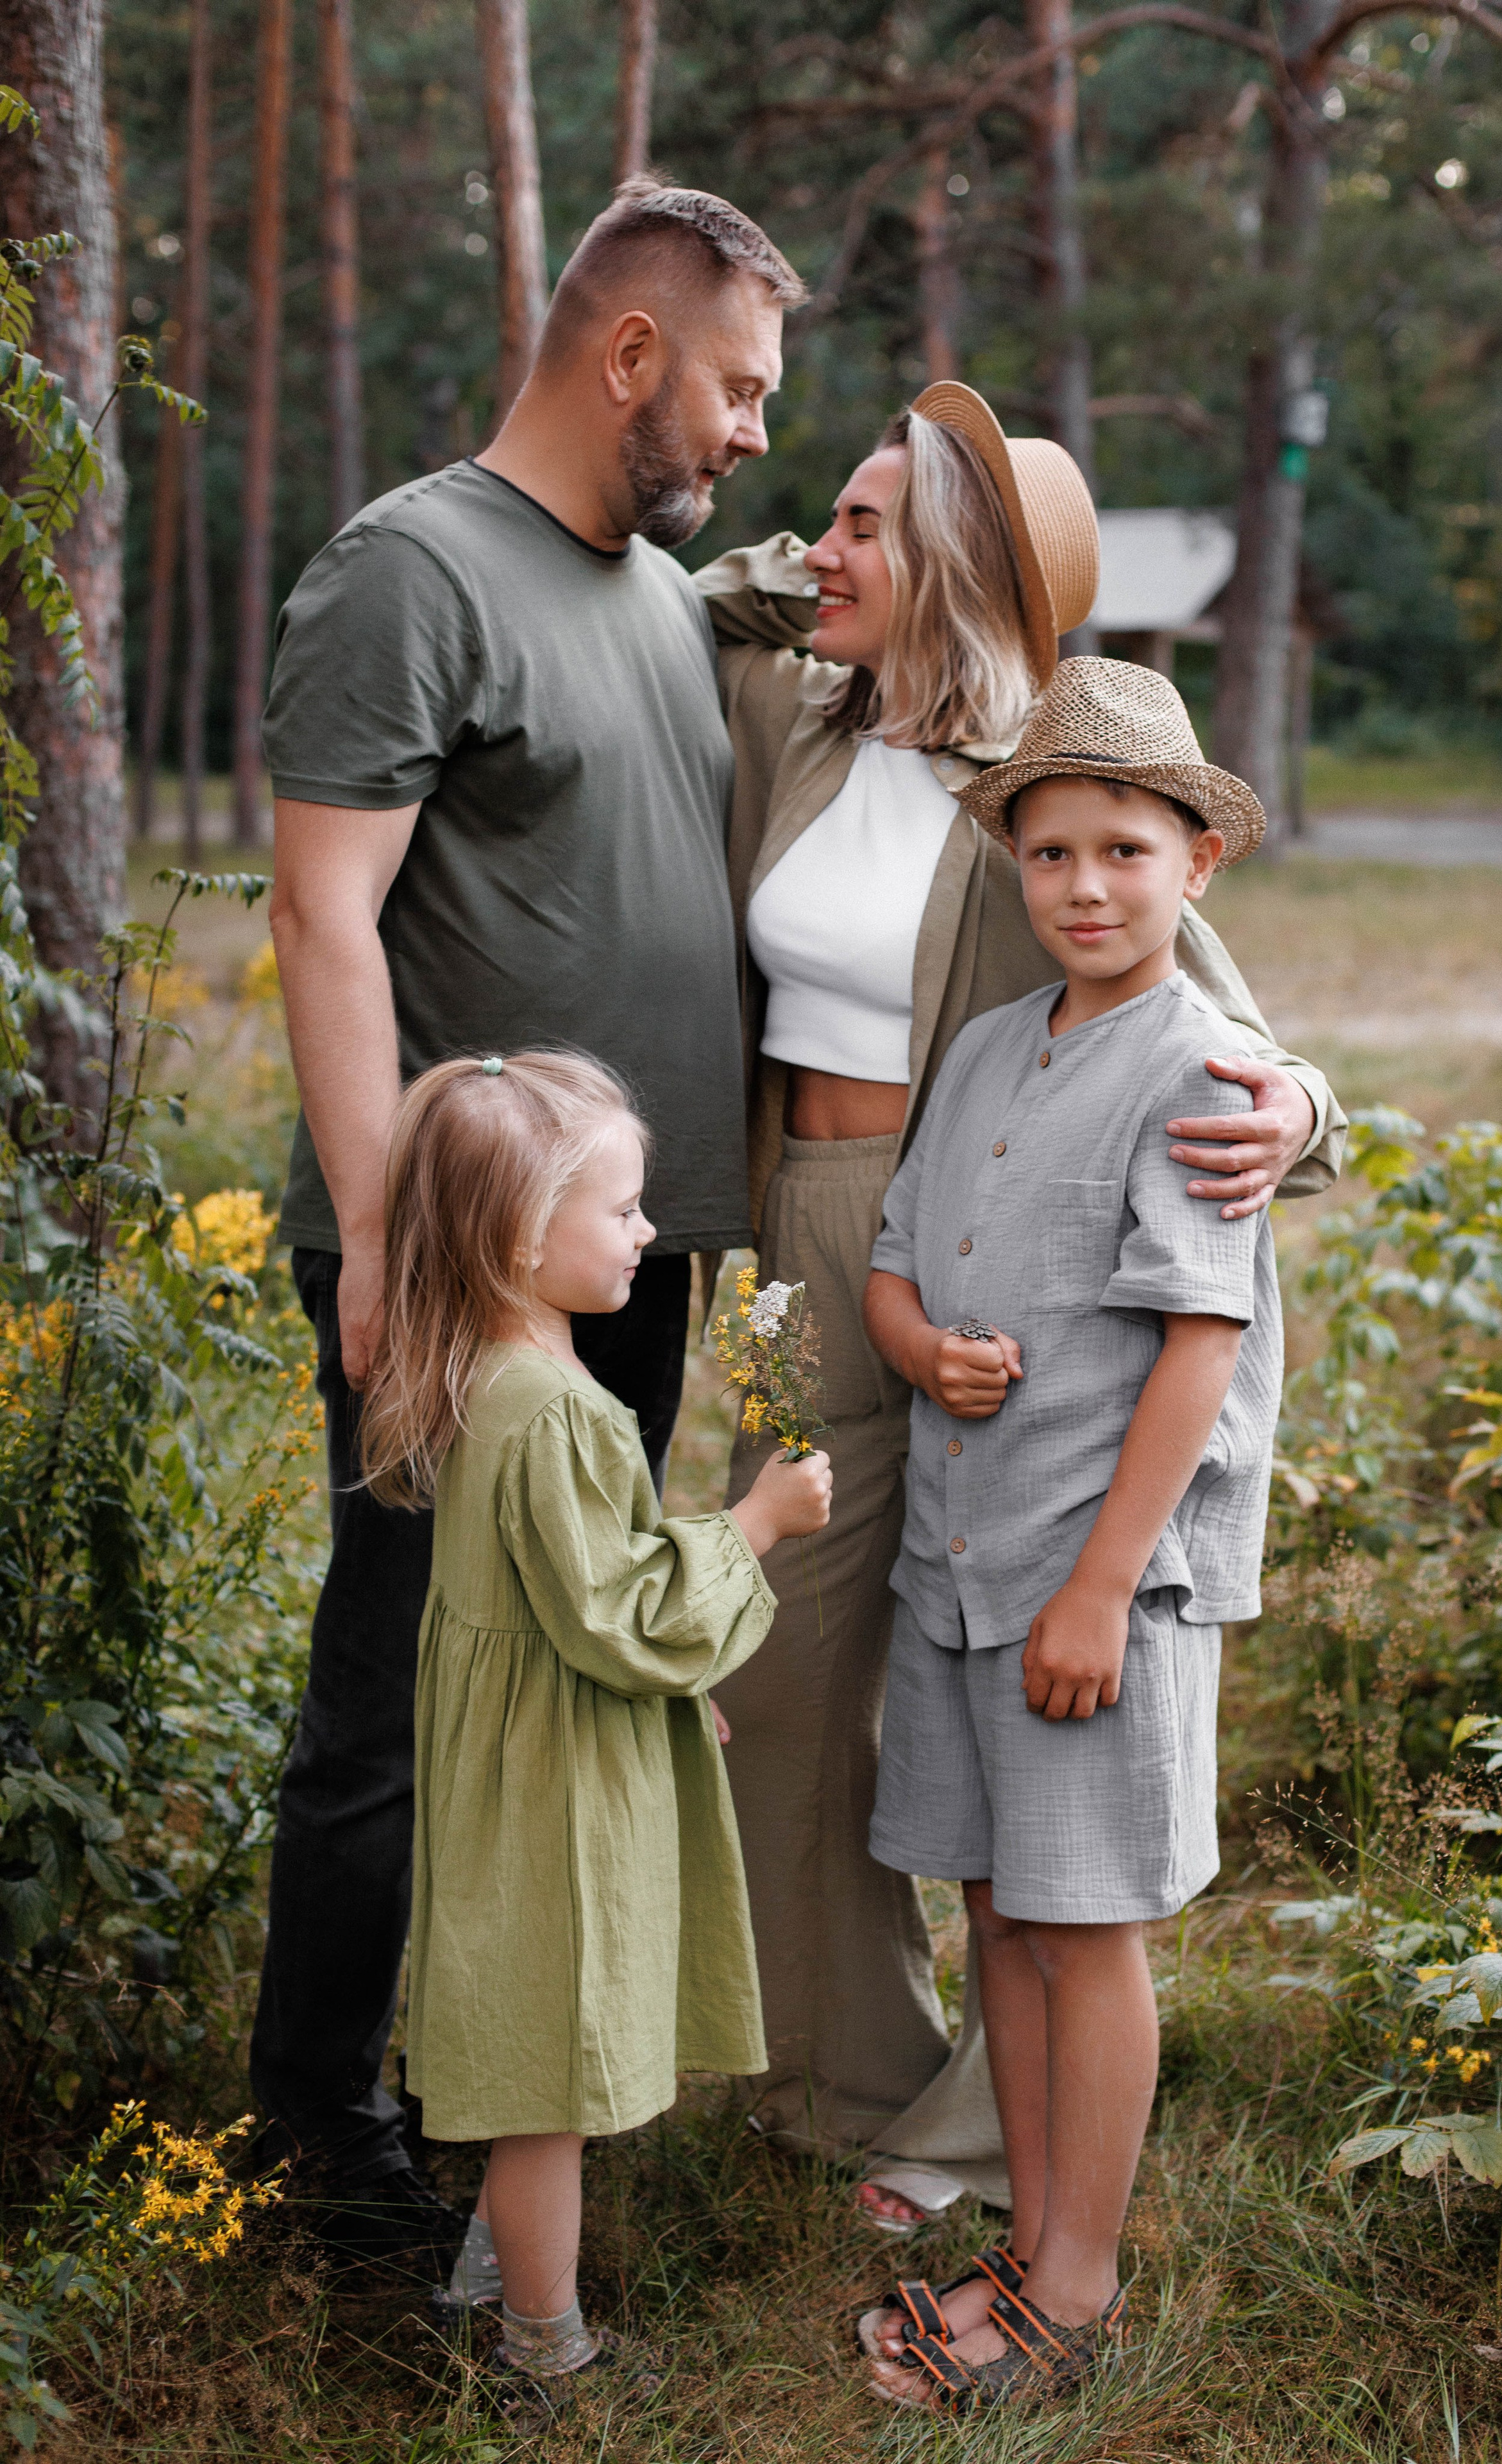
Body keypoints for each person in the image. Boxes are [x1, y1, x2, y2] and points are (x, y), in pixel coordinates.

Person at [692, 383, 1347, 2226]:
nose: (821, 547)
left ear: (961, 566)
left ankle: (1004, 2132)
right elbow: (711, 595)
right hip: (822, 1227)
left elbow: (1213, 1003)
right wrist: (821, 556)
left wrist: (1303, 1106)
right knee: (793, 1666)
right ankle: (853, 2079)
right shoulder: (788, 715)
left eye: (867, 524)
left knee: (1020, 1684)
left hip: (1024, 1247)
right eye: (823, 515)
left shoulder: (1039, 780)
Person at [251, 180, 805, 2257]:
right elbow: (321, 917)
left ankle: (517, 2108)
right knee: (406, 1700)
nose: (757, 428)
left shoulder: (657, 594)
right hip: (467, 1259)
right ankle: (328, 2137)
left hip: (626, 1250)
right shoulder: (412, 571)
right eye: (740, 385)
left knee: (565, 1677)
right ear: (632, 354)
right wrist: (389, 1251)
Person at [857, 658, 1284, 2411]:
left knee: (1085, 1918)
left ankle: (1078, 2291)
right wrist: (919, 1347)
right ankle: (1028, 2240)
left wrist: (1105, 1585)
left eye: (1125, 846)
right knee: (1000, 1910)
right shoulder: (982, 1048)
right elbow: (892, 1258)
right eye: (1050, 854)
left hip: (1094, 1575)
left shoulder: (1202, 1065)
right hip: (959, 1558)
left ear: (1198, 863)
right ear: (1014, 869)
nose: (1087, 886)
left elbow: (1202, 1341)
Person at [353, 1049, 830, 2415]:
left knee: (526, 2048)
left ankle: (487, 2288)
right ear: (517, 1235)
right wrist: (755, 1527)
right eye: (621, 1210)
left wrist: (680, 1681)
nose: (644, 1233)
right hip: (548, 1786)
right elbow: (616, 1609)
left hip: (520, 1754)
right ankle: (541, 2354)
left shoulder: (504, 1374)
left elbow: (565, 1595)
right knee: (546, 2078)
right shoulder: (551, 1407)